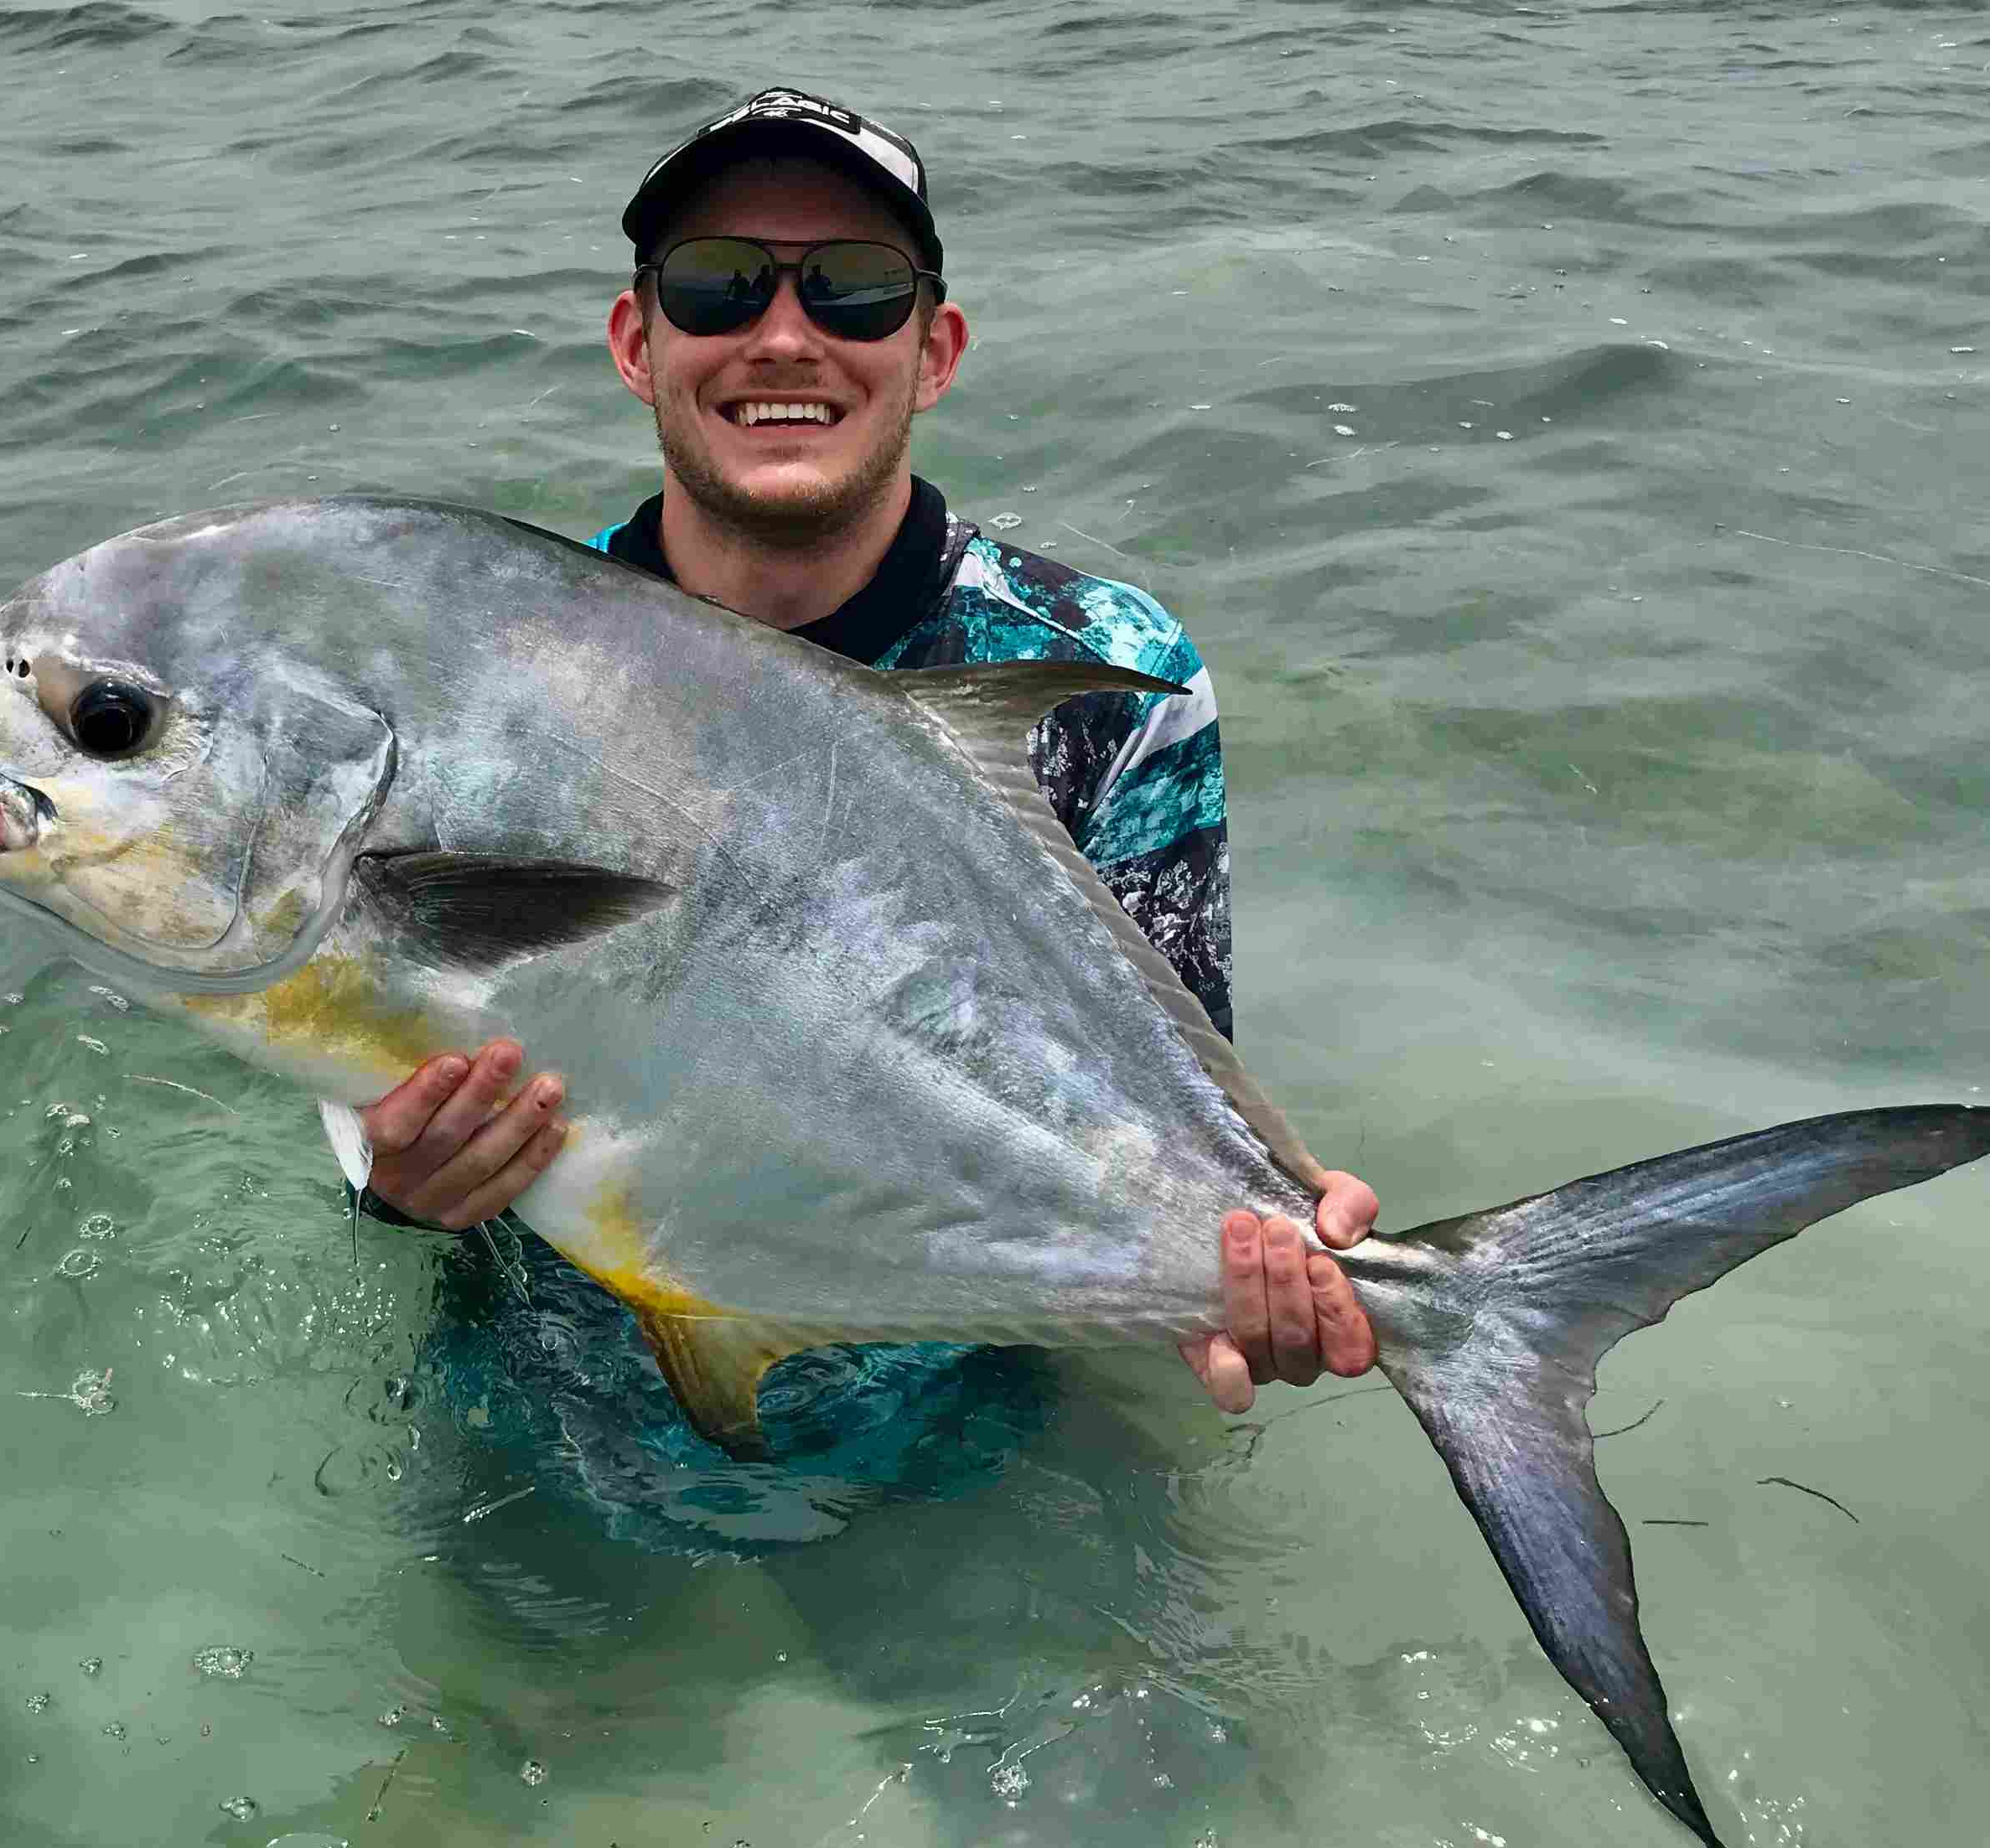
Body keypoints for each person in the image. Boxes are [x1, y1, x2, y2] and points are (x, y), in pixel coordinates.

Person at [355, 87, 1379, 1444]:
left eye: (853, 290)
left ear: (935, 348)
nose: (784, 337)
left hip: (965, 1441)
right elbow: (358, 1061)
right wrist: (392, 1191)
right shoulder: (486, 675)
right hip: (550, 1435)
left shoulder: (1111, 675)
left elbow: (1137, 1133)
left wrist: (1263, 1261)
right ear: (635, 341)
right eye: (719, 288)